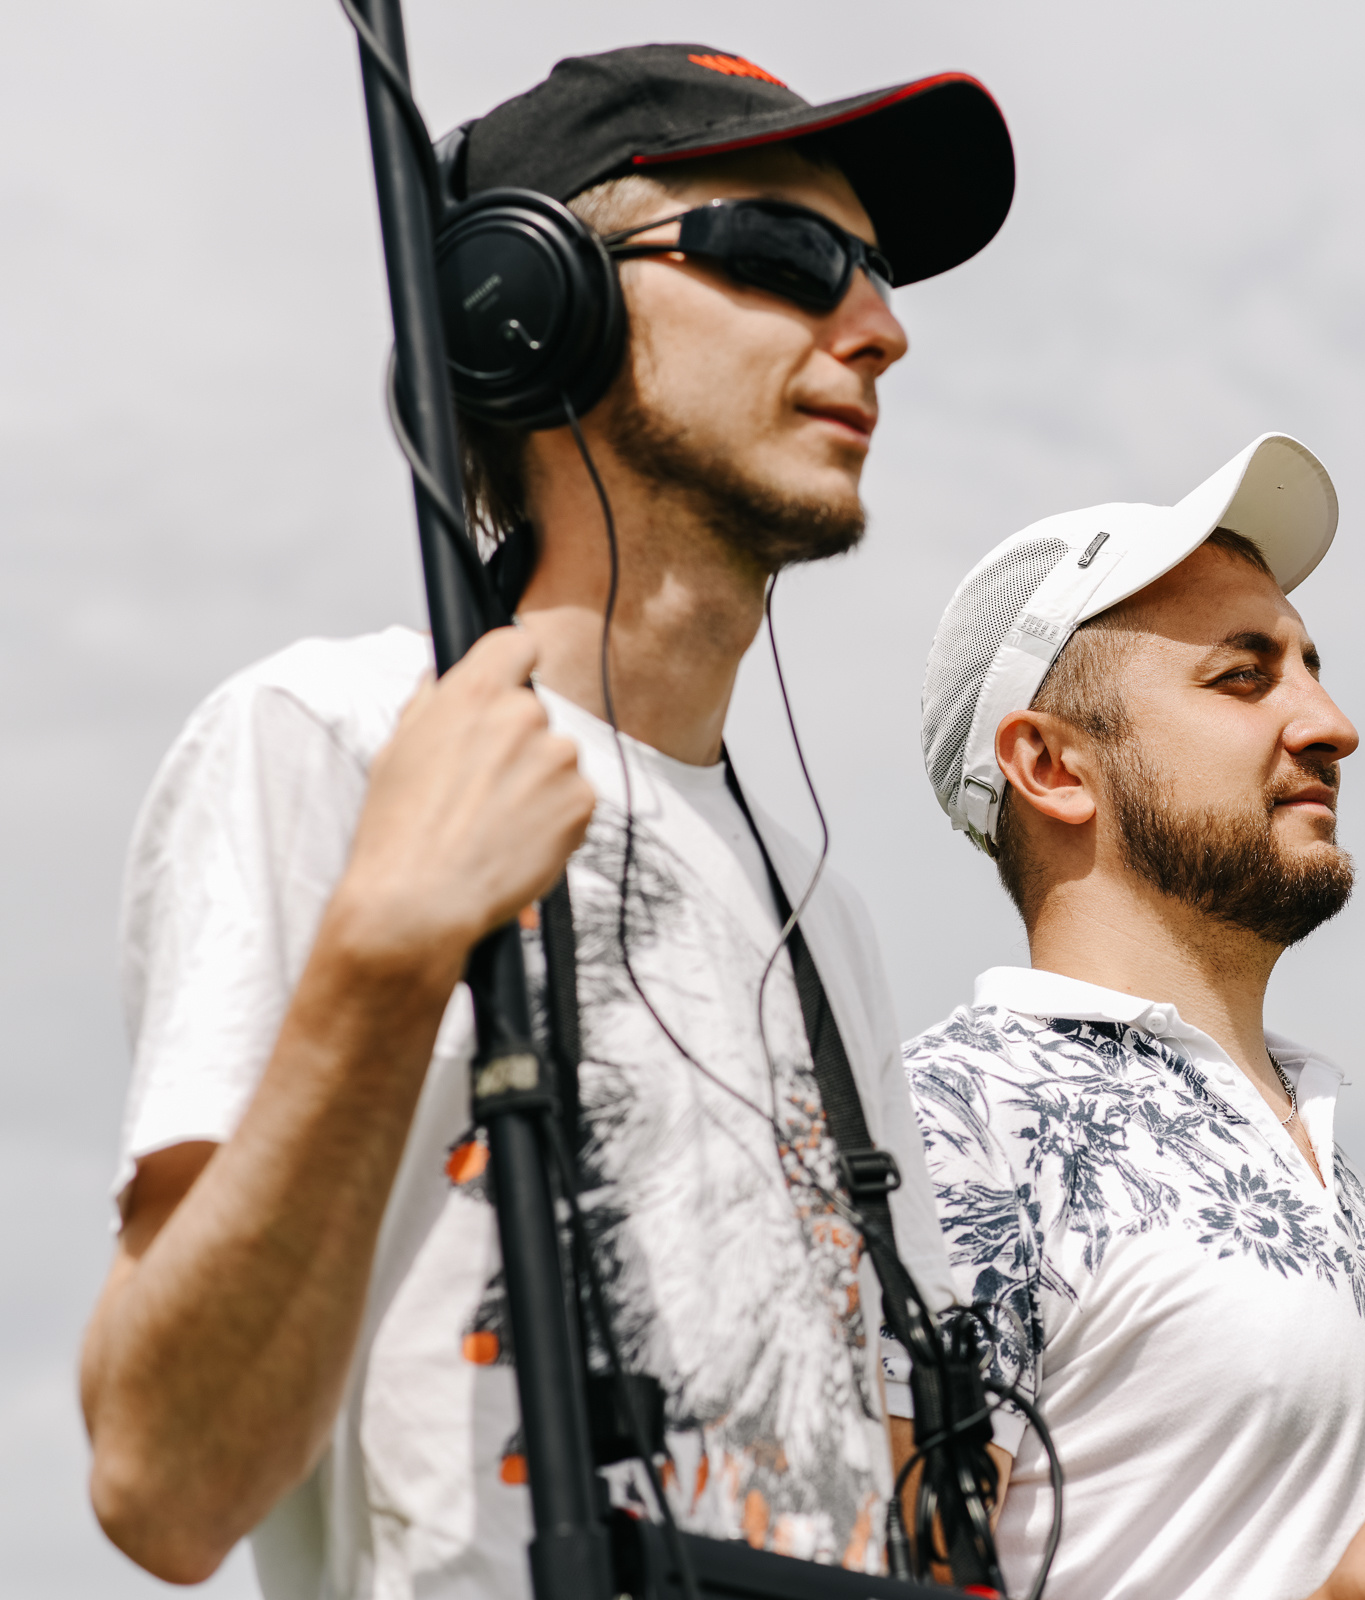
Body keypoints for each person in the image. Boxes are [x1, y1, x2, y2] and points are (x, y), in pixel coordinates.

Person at [81, 45, 1012, 1595]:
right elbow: (161, 1487)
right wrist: (387, 951)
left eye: (882, 274)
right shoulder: (333, 738)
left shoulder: (817, 910)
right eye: (789, 253)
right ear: (531, 296)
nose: (882, 329)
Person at [897, 434, 1365, 1600]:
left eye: (1311, 665)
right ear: (1052, 765)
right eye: (1244, 675)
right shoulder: (954, 1124)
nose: (1331, 723)